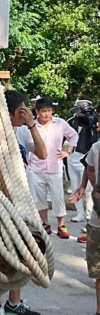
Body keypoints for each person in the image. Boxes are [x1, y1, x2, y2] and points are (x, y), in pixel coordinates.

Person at [0, 89, 48, 315]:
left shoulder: (22, 131)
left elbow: (42, 154)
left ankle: (14, 302)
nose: (23, 116)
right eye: (20, 112)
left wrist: (32, 125)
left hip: (21, 202)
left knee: (21, 251)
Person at [29, 96, 78, 239]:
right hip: (36, 167)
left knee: (58, 197)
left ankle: (61, 225)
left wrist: (67, 151)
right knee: (40, 198)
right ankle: (45, 223)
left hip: (55, 167)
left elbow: (73, 135)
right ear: (37, 111)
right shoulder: (31, 125)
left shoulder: (60, 123)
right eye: (44, 111)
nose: (47, 114)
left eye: (49, 111)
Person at [71, 129, 100, 315]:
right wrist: (84, 187)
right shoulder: (96, 147)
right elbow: (88, 167)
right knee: (98, 270)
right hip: (97, 220)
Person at [67, 99, 96, 232]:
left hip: (87, 156)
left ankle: (90, 214)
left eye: (82, 107)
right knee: (75, 186)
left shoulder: (93, 121)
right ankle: (80, 213)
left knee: (89, 190)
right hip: (73, 156)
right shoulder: (71, 121)